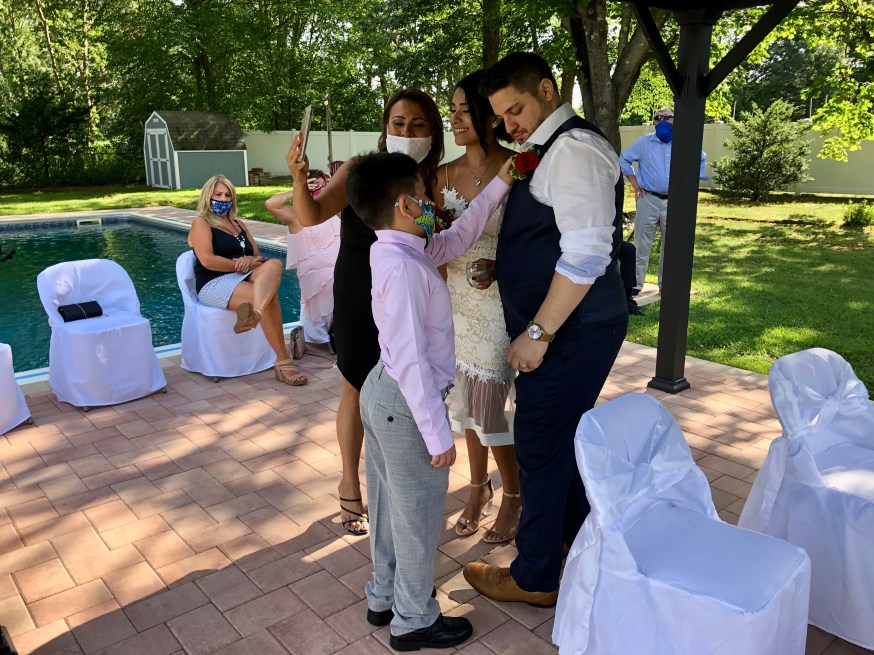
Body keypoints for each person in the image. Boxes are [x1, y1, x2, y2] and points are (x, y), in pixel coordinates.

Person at [462, 52, 628, 607]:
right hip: (567, 329)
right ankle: (574, 544)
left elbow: (587, 253)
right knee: (559, 440)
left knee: (538, 442)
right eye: (500, 116)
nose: (508, 125)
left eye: (515, 110)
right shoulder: (549, 148)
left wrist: (537, 334)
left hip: (571, 332)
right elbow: (554, 235)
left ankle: (535, 577)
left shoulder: (574, 149)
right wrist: (507, 263)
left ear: (548, 90)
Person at [348, 151, 513, 651]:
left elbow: (459, 236)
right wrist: (437, 432)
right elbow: (412, 358)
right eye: (423, 197)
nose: (431, 205)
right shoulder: (403, 267)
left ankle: (384, 595)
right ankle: (414, 620)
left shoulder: (402, 248)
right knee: (416, 517)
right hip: (404, 400)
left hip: (385, 393)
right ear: (404, 205)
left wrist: (502, 181)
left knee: (387, 504)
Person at [287, 89, 444, 536]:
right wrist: (299, 177)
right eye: (398, 122)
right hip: (359, 291)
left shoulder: (432, 181)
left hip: (407, 297)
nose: (407, 131)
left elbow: (439, 243)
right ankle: (349, 482)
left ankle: (392, 483)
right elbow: (312, 214)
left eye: (417, 124)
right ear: (385, 127)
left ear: (432, 132)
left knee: (404, 392)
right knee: (356, 388)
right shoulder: (359, 169)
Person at [434, 70, 522, 544]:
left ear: (490, 115)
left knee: (489, 405)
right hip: (455, 303)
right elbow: (431, 240)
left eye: (464, 110)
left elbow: (535, 238)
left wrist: (503, 266)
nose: (455, 118)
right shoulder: (441, 175)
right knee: (466, 402)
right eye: (451, 110)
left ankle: (514, 494)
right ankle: (477, 487)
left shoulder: (519, 165)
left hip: (498, 305)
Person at [188, 174, 307, 386]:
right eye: (218, 195)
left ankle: (256, 313)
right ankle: (283, 362)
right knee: (270, 297)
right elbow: (208, 260)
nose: (224, 199)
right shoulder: (201, 222)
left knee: (274, 264)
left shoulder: (238, 224)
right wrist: (240, 264)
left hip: (242, 276)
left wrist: (249, 260)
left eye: (228, 195)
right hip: (214, 282)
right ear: (208, 196)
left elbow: (257, 256)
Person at [619, 107, 707, 294]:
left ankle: (666, 285)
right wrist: (634, 183)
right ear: (654, 122)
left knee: (671, 247)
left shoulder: (684, 143)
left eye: (667, 117)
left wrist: (690, 183)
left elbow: (701, 159)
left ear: (676, 120)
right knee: (641, 245)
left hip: (674, 202)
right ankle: (635, 285)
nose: (662, 120)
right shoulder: (644, 143)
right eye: (657, 118)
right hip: (648, 199)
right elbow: (624, 159)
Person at [265, 169, 341, 346]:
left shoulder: (334, 212)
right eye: (312, 187)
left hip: (341, 273)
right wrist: (298, 189)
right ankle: (320, 341)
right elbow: (271, 204)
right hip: (315, 277)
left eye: (321, 186)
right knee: (316, 323)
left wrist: (334, 187)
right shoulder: (295, 216)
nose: (317, 190)